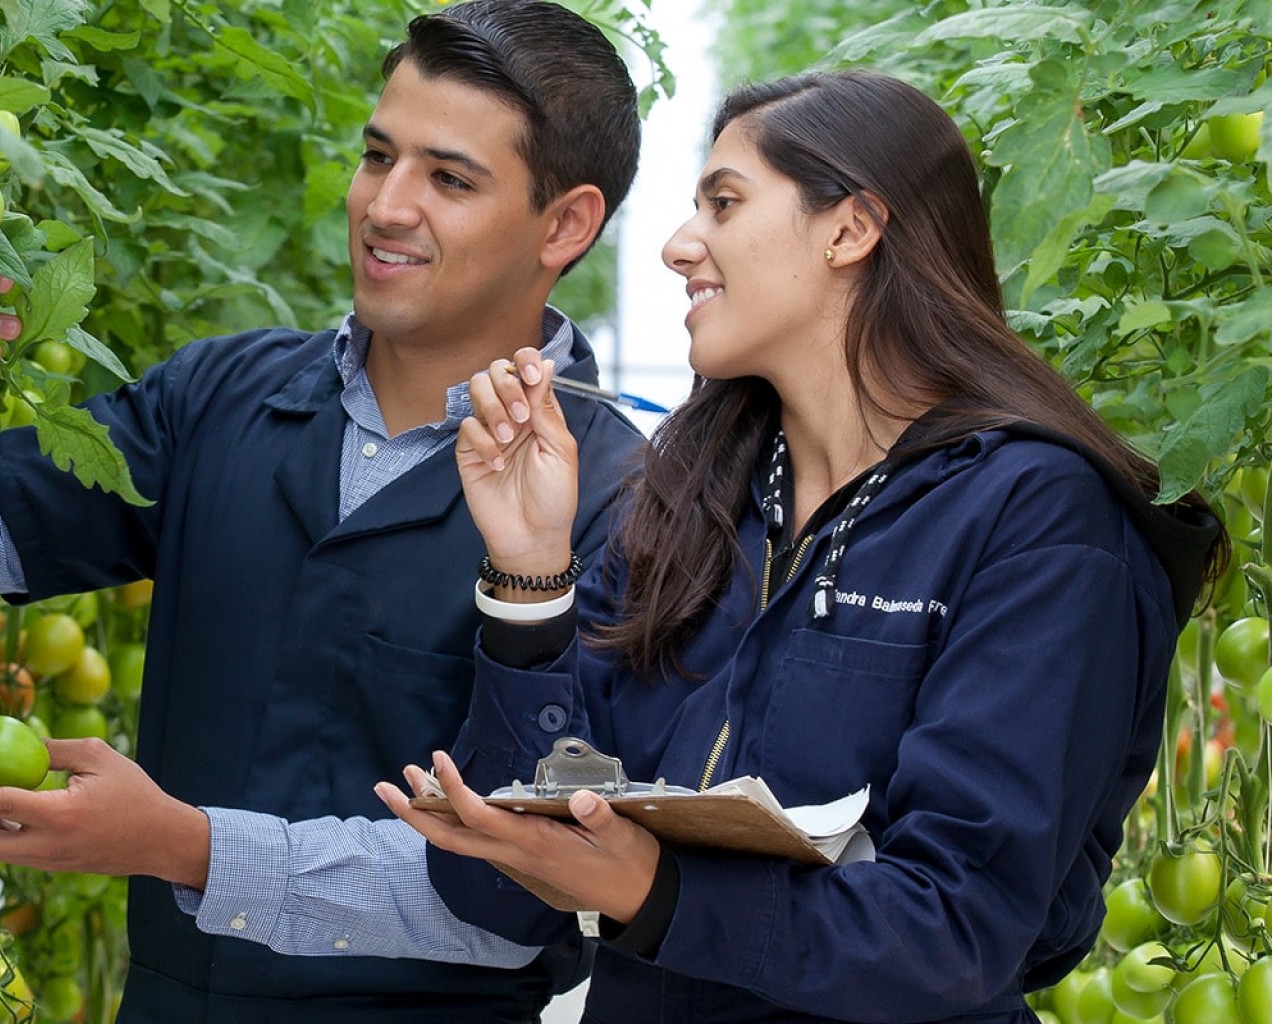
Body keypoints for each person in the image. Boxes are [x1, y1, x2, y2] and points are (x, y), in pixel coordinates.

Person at [0, 1, 646, 1019]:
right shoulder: (221, 398)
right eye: (376, 156)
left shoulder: (622, 500)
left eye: (448, 178)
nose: (386, 206)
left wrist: (184, 846)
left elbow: (534, 887)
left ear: (565, 223)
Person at [368, 68, 1227, 1021]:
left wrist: (654, 888)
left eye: (724, 203)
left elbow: (957, 929)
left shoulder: (1038, 521)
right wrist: (528, 578)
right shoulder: (687, 498)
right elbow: (492, 890)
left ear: (850, 229)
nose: (676, 246)